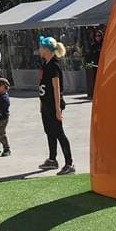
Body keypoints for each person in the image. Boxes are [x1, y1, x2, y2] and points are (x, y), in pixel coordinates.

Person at [38, 35, 74, 174]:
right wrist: (41, 103)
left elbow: (56, 88)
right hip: (46, 104)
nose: (40, 49)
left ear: (47, 49)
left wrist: (58, 108)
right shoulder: (45, 64)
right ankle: (52, 160)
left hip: (53, 105)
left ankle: (69, 164)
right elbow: (43, 86)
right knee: (49, 132)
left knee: (59, 133)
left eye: (41, 47)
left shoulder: (54, 65)